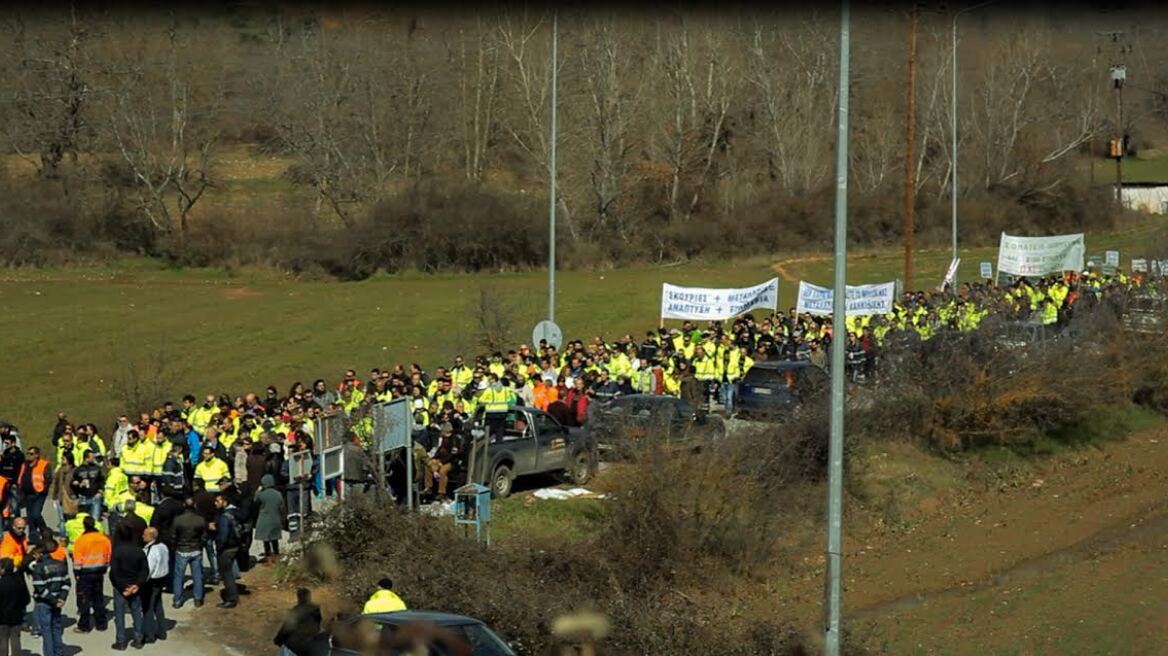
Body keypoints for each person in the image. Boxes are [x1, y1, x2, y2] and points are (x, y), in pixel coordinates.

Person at [29, 538, 71, 656]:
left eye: (36, 553)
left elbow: (40, 588)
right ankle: (59, 653)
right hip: (57, 601)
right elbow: (67, 583)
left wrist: (52, 600)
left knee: (46, 631)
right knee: (56, 629)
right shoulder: (60, 564)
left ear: (41, 553)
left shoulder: (39, 567)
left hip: (44, 603)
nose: (34, 556)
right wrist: (61, 598)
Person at [109, 523, 147, 650]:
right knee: (136, 612)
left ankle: (121, 641)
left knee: (119, 614)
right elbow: (144, 571)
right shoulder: (139, 551)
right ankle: (139, 639)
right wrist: (136, 585)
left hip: (121, 588)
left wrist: (123, 588)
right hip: (135, 586)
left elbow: (114, 572)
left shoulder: (117, 552)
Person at [71, 515, 111, 634]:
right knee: (98, 598)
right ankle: (101, 624)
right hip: (99, 572)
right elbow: (108, 555)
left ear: (84, 526)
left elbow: (77, 559)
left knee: (84, 600)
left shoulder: (81, 540)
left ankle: (84, 625)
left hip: (85, 574)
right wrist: (105, 567)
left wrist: (77, 573)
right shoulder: (104, 539)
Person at [172, 497, 207, 608]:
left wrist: (174, 546)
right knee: (197, 575)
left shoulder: (178, 520)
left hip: (181, 550)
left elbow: (173, 536)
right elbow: (204, 536)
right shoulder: (200, 520)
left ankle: (177, 600)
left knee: (179, 576)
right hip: (196, 549)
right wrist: (200, 545)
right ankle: (198, 598)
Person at [16, 446, 51, 543]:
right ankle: (33, 537)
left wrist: (43, 490)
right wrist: (20, 488)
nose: (29, 456)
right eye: (28, 453)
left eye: (31, 454)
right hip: (27, 494)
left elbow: (48, 479)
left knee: (36, 515)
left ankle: (44, 530)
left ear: (37, 455)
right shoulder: (25, 464)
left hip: (39, 494)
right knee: (30, 517)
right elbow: (21, 477)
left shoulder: (44, 464)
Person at [214, 492, 243, 608]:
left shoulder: (224, 517)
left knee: (226, 574)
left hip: (227, 548)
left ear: (224, 502)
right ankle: (233, 596)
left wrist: (219, 546)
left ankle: (231, 599)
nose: (215, 503)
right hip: (235, 545)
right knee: (229, 572)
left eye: (218, 501)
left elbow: (223, 535)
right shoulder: (235, 513)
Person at [273, 587, 322, 656]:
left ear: (298, 598)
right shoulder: (316, 609)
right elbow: (318, 625)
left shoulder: (296, 611)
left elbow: (286, 629)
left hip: (295, 647)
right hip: (310, 645)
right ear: (309, 597)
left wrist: (278, 640)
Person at [141, 527, 169, 644]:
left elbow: (149, 569)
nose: (142, 536)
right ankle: (162, 631)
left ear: (151, 536)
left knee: (148, 608)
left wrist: (142, 582)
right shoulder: (163, 546)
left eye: (144, 534)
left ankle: (149, 635)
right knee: (158, 606)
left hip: (152, 582)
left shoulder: (152, 550)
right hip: (161, 579)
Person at [0, 557, 28, 656]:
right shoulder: (19, 582)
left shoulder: (1, 583)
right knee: (16, 639)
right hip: (17, 615)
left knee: (3, 640)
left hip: (2, 617)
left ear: (3, 568)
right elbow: (26, 599)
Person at [254, 474, 285, 564]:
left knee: (266, 541)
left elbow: (255, 502)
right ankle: (277, 556)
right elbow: (282, 507)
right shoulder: (278, 494)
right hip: (275, 519)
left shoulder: (262, 494)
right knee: (275, 540)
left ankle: (269, 559)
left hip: (264, 520)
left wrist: (257, 491)